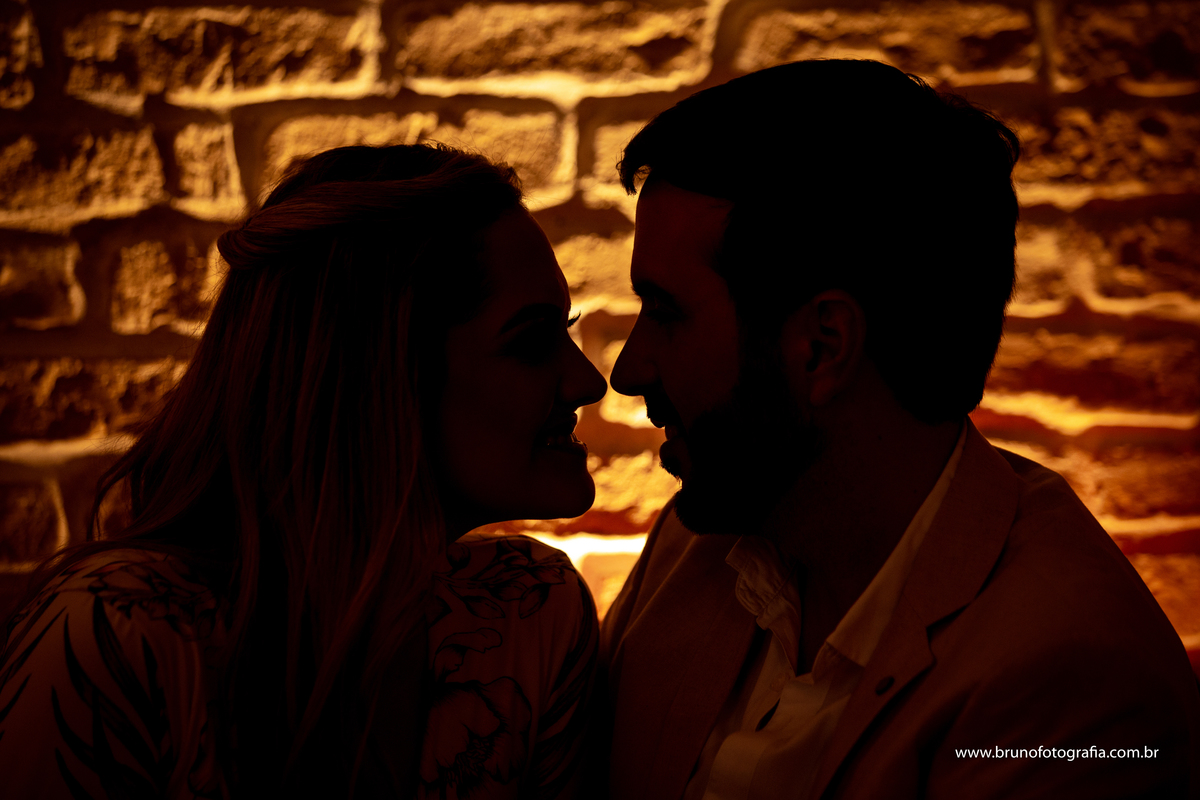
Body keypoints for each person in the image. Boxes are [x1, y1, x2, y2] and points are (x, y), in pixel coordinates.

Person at [599, 60, 1200, 799]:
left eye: (665, 313)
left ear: (822, 347)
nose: (628, 369)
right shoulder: (697, 547)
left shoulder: (1072, 686)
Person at [0, 144, 608, 798]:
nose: (588, 381)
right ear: (377, 374)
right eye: (531, 340)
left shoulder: (529, 614)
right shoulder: (118, 637)